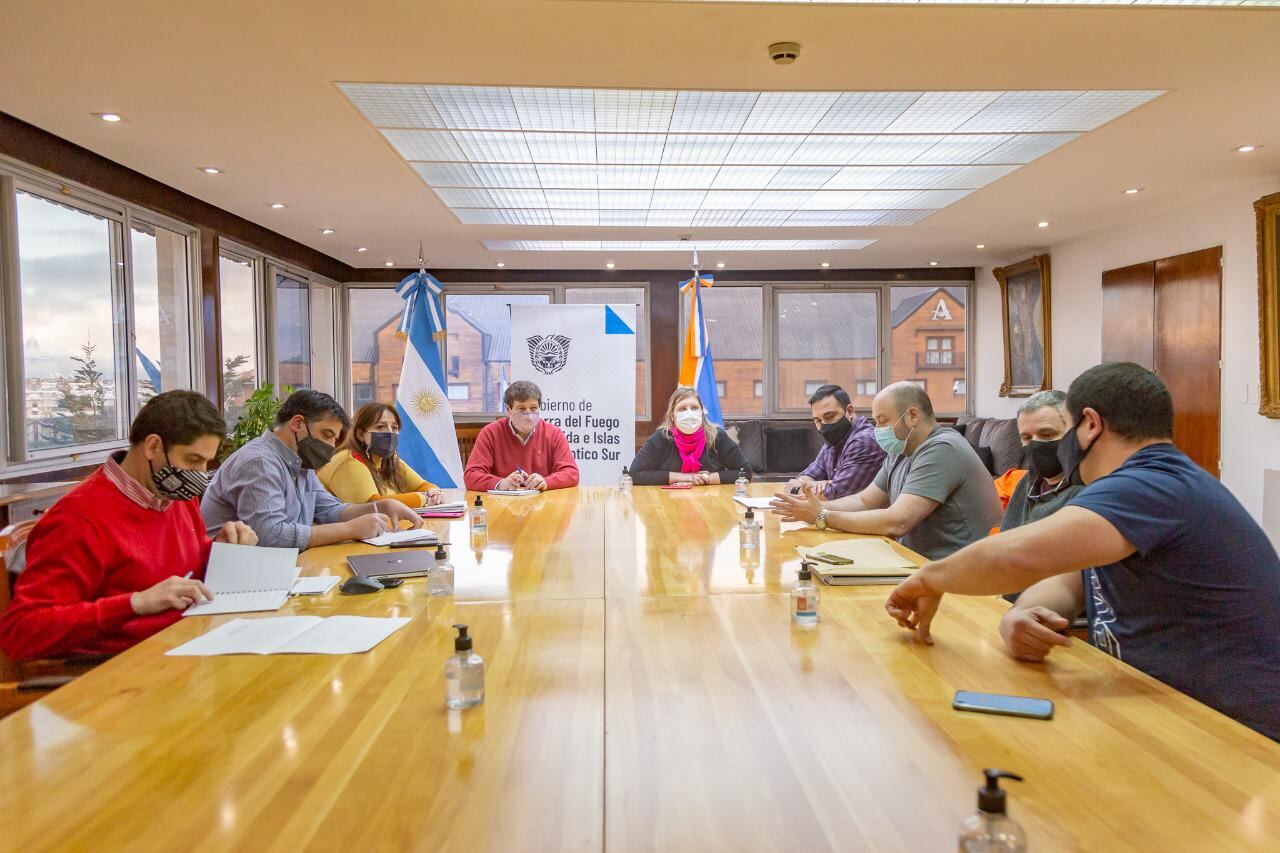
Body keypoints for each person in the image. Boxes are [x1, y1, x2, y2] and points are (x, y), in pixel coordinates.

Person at [885, 363, 1280, 741]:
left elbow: (1020, 556)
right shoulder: (1146, 483)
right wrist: (1022, 613)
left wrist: (930, 577)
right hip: (1161, 709)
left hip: (1232, 729)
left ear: (1090, 424)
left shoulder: (1151, 485)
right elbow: (1068, 578)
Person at [0, 391, 258, 661]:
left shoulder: (174, 495)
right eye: (192, 461)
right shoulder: (79, 519)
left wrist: (222, 551)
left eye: (206, 463)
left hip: (184, 644)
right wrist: (135, 603)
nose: (200, 475)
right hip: (118, 669)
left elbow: (182, 565)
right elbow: (21, 631)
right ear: (153, 447)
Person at [771, 382, 1001, 560]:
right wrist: (814, 508)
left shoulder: (942, 449)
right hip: (915, 560)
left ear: (912, 416)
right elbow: (864, 500)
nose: (877, 430)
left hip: (954, 571)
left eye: (883, 421)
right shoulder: (900, 448)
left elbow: (897, 522)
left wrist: (822, 516)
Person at [202, 389, 423, 549]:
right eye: (327, 435)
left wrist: (380, 507)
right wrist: (349, 530)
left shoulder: (301, 464)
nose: (329, 447)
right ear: (297, 424)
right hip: (235, 582)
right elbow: (269, 535)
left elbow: (330, 511)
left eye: (334, 440)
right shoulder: (259, 462)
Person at [319, 402, 446, 508]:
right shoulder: (348, 461)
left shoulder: (388, 459)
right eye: (380, 427)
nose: (390, 433)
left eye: (394, 427)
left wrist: (433, 492)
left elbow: (421, 485)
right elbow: (372, 505)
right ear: (360, 434)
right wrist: (423, 498)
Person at [463, 380, 579, 492]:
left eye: (533, 408)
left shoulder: (554, 433)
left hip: (542, 503)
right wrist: (500, 483)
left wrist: (546, 482)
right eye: (521, 409)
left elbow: (571, 473)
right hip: (502, 504)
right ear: (508, 409)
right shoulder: (490, 433)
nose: (529, 416)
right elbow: (471, 476)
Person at [629, 387, 752, 486]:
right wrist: (686, 477)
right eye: (682, 409)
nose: (689, 413)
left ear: (701, 412)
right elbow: (634, 474)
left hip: (710, 502)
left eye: (694, 408)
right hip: (669, 503)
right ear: (672, 415)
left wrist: (706, 478)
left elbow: (745, 472)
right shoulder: (662, 437)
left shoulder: (716, 436)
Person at [1000, 390, 1082, 533]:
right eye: (1026, 437)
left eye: (1047, 434)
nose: (1035, 444)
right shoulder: (1026, 483)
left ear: (1073, 433)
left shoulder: (1086, 491)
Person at [785, 383, 885, 499]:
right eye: (818, 420)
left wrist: (807, 487)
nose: (824, 426)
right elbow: (793, 484)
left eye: (829, 416)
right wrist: (814, 484)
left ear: (850, 411)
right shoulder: (833, 442)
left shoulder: (864, 441)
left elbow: (834, 495)